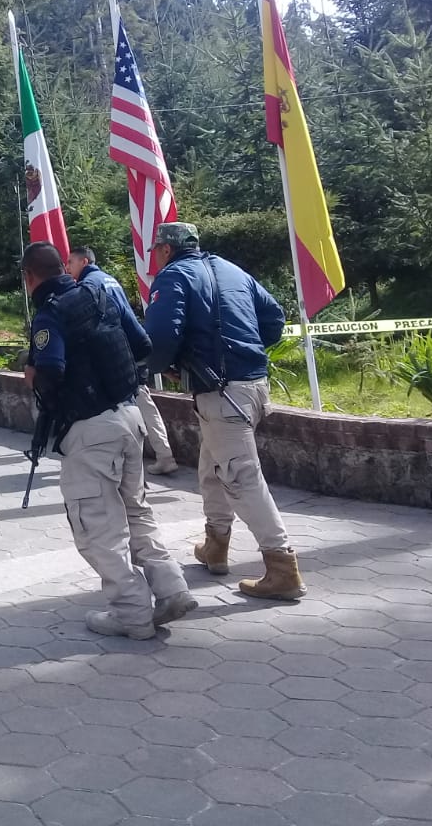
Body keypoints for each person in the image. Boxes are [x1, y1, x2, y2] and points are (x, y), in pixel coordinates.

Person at [22, 241, 196, 639]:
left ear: (30, 277)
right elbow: (143, 346)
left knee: (98, 528)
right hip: (129, 417)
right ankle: (171, 589)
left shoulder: (50, 314)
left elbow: (49, 369)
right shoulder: (102, 293)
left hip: (89, 431)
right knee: (136, 512)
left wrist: (36, 379)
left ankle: (131, 613)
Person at [144, 222, 304, 601]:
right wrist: (244, 350)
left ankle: (282, 566)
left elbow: (162, 336)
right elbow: (274, 319)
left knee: (240, 477)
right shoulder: (232, 269)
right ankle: (216, 545)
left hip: (221, 391)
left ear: (166, 250)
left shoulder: (173, 276)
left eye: (155, 251)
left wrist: (154, 366)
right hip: (251, 385)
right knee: (211, 467)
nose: (153, 257)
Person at [66, 246, 178, 475]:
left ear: (84, 262)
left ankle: (160, 457)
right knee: (143, 404)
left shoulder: (89, 286)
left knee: (138, 405)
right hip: (131, 346)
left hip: (117, 354)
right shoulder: (108, 280)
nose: (67, 267)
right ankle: (161, 454)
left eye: (71, 262)